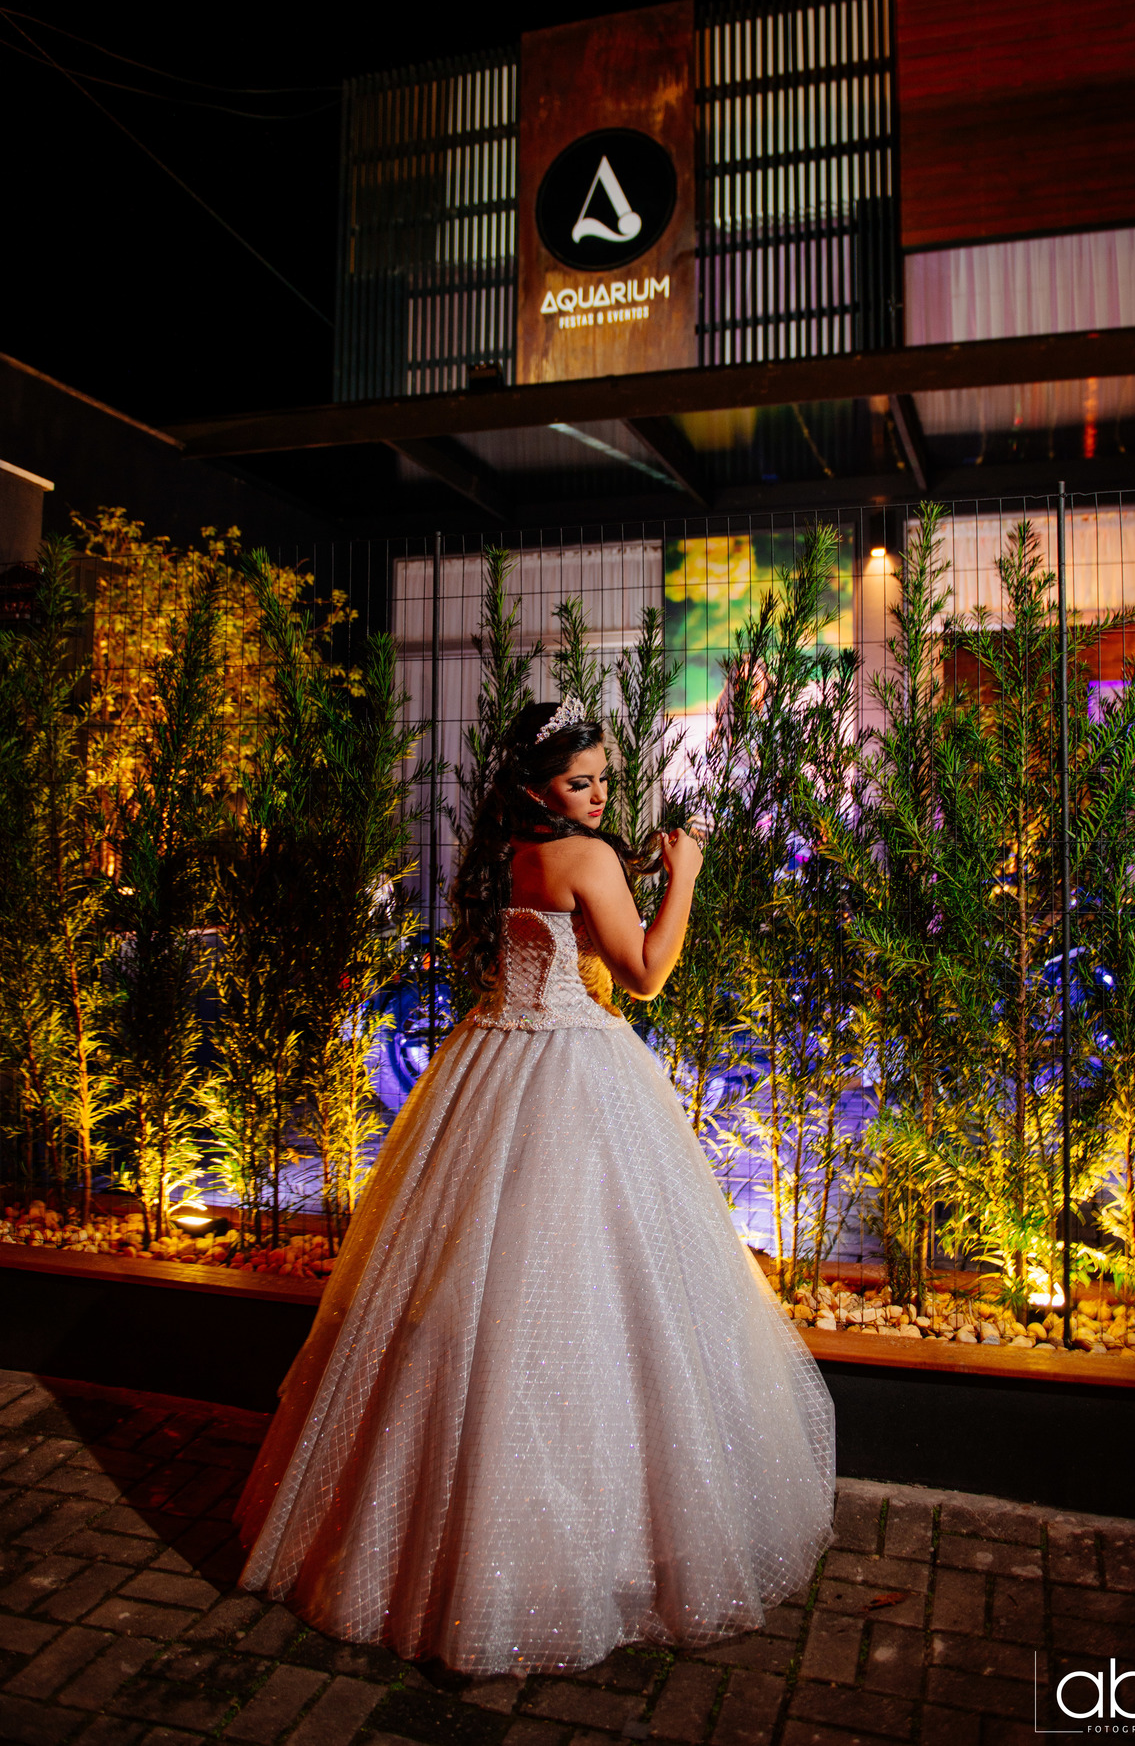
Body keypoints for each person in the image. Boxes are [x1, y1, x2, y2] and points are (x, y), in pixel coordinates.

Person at [236, 697, 834, 1675]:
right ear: (536, 787)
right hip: (575, 1071)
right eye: (578, 783)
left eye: (602, 780)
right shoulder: (586, 857)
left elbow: (560, 923)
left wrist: (626, 869)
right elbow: (644, 973)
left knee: (482, 1285)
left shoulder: (510, 852)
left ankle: (441, 1531)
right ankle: (583, 1539)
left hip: (490, 1063)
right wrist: (684, 875)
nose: (597, 797)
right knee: (591, 1292)